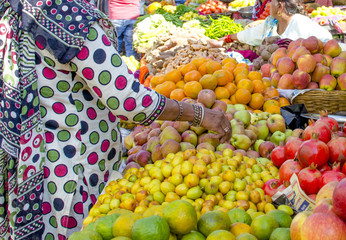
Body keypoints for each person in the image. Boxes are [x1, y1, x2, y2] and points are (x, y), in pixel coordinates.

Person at [0, 0, 231, 239]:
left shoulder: (21, 7)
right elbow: (127, 99)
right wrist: (199, 114)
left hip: (35, 159)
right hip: (71, 170)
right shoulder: (67, 15)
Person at [220, 0, 332, 46]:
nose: (269, 5)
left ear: (280, 6)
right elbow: (251, 34)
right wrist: (227, 38)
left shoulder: (300, 22)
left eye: (271, 1)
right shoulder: (271, 22)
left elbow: (327, 40)